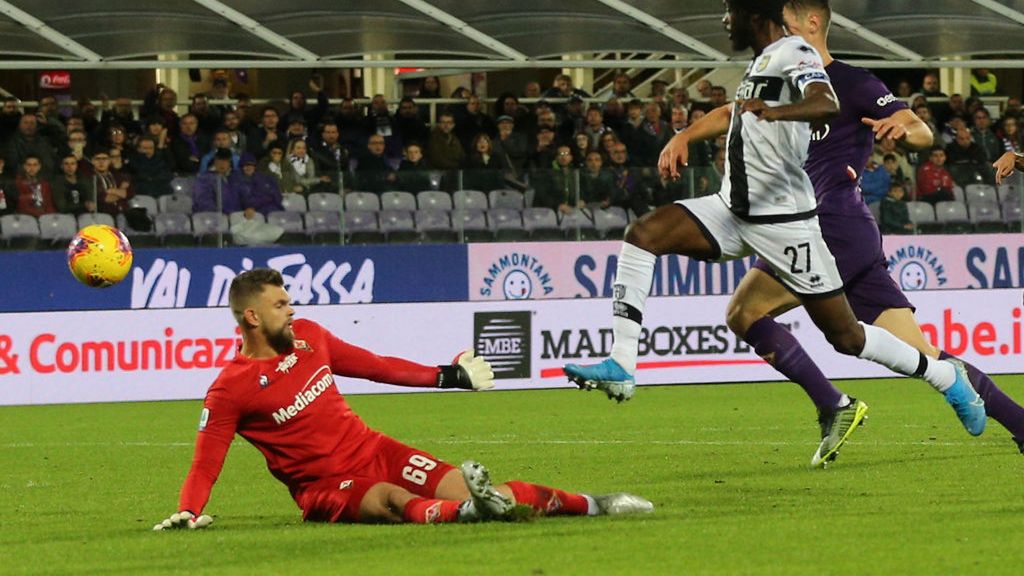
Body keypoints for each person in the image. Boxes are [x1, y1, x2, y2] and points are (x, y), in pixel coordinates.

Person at [562, 0, 985, 468]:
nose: (725, 20)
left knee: (847, 337)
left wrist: (775, 113)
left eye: (729, 10)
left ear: (754, 13)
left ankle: (944, 376)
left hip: (786, 223)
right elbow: (734, 112)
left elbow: (826, 104)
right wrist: (686, 134)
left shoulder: (793, 52)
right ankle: (622, 363)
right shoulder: (761, 62)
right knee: (643, 233)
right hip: (733, 208)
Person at [722, 0, 1023, 452]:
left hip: (829, 225)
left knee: (744, 313)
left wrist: (903, 132)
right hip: (841, 231)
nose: (777, 32)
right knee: (922, 355)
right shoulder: (781, 86)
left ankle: (833, 405)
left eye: (785, 24)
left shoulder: (852, 83)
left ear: (813, 23)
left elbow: (920, 130)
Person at [154, 269, 652, 530]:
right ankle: (468, 516)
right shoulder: (230, 388)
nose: (292, 309)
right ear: (252, 319)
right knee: (396, 503)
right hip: (326, 486)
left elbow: (377, 365)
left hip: (374, 449)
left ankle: (592, 505)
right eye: (281, 304)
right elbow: (205, 465)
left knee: (476, 488)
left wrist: (449, 376)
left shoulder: (310, 336)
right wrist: (188, 509)